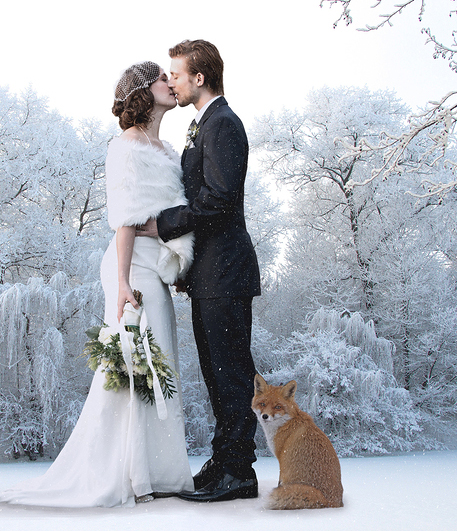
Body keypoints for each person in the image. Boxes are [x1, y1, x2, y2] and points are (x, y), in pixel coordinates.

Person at [0, 61, 195, 508]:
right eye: (160, 79)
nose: (170, 84)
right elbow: (125, 219)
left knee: (162, 364)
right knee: (136, 366)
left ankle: (158, 469)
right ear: (141, 91)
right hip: (130, 266)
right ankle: (131, 472)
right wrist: (120, 284)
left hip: (157, 266)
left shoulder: (168, 150)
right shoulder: (126, 145)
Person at [138, 39, 261, 503]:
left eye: (176, 72)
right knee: (216, 372)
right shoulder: (204, 125)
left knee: (230, 373)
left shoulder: (223, 124)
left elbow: (219, 199)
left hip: (226, 272)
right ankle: (224, 462)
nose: (170, 80)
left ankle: (239, 472)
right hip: (210, 275)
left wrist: (161, 224)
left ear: (199, 77)